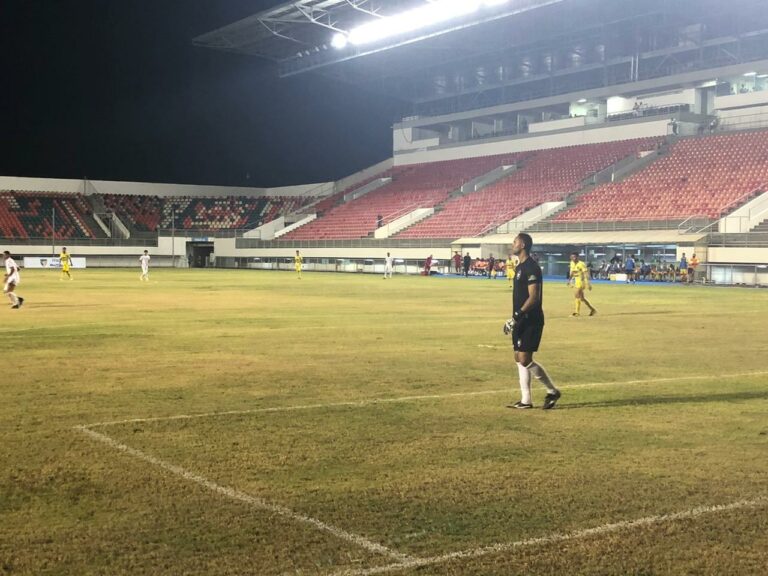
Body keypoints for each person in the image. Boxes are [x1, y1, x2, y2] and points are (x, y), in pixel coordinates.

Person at [503, 233, 560, 410]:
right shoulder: (520, 267)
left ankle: (552, 391)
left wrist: (517, 316)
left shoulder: (531, 268)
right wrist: (514, 319)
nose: (513, 244)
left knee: (525, 358)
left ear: (523, 244)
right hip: (520, 319)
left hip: (531, 320)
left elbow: (534, 298)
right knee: (518, 357)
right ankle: (526, 400)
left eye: (515, 242)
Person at [568, 252, 597, 317]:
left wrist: (588, 283)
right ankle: (592, 310)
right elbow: (572, 272)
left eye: (574, 257)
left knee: (576, 295)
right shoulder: (572, 263)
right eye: (572, 257)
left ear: (578, 257)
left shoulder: (581, 264)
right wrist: (569, 280)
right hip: (576, 281)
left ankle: (577, 312)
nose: (573, 258)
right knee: (582, 298)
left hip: (581, 281)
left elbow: (586, 273)